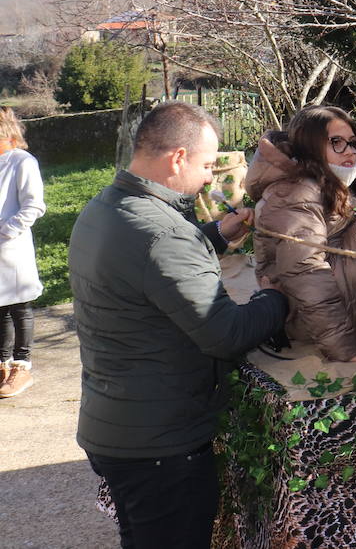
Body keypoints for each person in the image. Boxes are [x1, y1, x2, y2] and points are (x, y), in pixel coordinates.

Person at [68, 102, 287, 549]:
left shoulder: (106, 206)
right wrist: (278, 297)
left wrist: (213, 236)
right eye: (207, 164)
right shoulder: (165, 234)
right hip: (161, 447)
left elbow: (143, 267)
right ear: (177, 159)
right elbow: (226, 333)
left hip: (118, 425)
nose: (211, 177)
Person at [244, 105, 356, 362]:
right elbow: (305, 273)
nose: (350, 151)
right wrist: (342, 347)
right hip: (306, 316)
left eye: (352, 143)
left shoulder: (329, 181)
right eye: (336, 142)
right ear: (310, 145)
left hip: (333, 304)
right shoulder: (295, 193)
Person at [0, 107, 46, 399]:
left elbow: (33, 206)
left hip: (12, 248)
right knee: (1, 308)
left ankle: (21, 365)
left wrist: (4, 231)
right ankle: (2, 364)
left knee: (20, 307)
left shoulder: (21, 161)